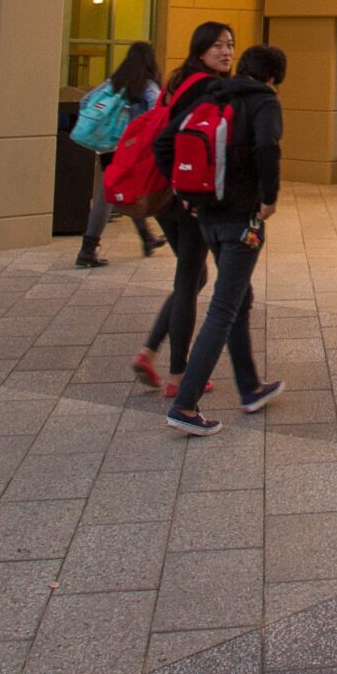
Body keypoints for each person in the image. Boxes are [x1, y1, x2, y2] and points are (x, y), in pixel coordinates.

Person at [163, 43, 290, 434]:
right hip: (242, 220)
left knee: (240, 297)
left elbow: (164, 141)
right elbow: (268, 147)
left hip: (208, 218)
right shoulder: (263, 102)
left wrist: (186, 195)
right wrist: (268, 198)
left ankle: (250, 387)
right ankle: (185, 406)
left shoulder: (213, 94)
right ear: (274, 76)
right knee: (223, 309)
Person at [131, 23, 234, 395]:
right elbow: (188, 141)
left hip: (161, 192)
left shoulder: (178, 80)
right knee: (190, 280)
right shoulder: (207, 88)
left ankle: (148, 351)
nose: (226, 52)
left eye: (230, 45)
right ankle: (178, 375)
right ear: (201, 49)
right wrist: (190, 194)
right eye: (218, 46)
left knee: (192, 278)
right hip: (185, 194)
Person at [72, 41, 164, 269]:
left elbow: (84, 101)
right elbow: (159, 114)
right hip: (129, 149)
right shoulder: (148, 87)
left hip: (106, 147)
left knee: (126, 191)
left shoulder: (114, 82)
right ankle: (87, 250)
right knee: (109, 196)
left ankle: (147, 238)